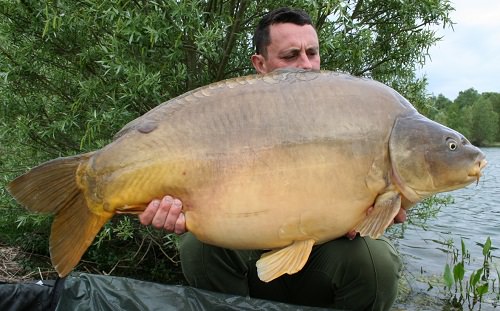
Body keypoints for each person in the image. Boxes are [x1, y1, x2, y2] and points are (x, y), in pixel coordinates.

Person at [139, 7, 404, 310]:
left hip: (324, 255)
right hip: (250, 249)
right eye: (291, 56)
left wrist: (372, 215)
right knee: (198, 247)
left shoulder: (346, 115)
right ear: (260, 64)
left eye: (312, 53)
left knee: (376, 262)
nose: (306, 65)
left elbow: (380, 195)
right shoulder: (230, 116)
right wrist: (170, 206)